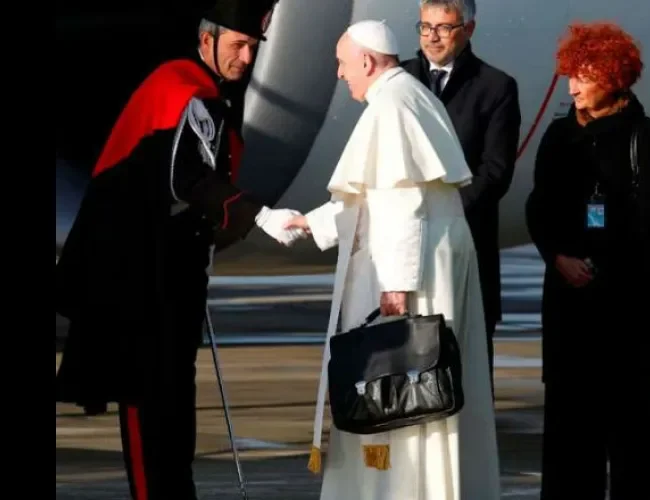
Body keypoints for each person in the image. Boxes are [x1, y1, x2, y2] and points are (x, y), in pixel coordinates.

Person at [54, 1, 303, 498]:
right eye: (238, 45)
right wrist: (255, 213)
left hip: (172, 280)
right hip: (140, 285)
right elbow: (187, 177)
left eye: (254, 48)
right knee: (150, 404)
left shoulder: (205, 94)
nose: (248, 59)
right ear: (206, 39)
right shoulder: (179, 90)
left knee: (173, 407)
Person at [284, 19, 501, 500]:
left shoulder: (393, 104)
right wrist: (309, 223)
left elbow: (402, 202)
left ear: (366, 61)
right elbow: (372, 198)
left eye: (343, 65)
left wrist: (397, 286)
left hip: (413, 271)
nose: (340, 76)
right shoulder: (406, 96)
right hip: (425, 258)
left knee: (407, 389)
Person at [525, 21, 650, 500]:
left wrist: (606, 264)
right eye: (571, 74)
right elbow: (538, 207)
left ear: (613, 77)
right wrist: (557, 257)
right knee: (568, 438)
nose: (573, 85)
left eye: (584, 75)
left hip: (624, 309)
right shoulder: (557, 136)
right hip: (569, 307)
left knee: (631, 435)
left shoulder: (642, 136)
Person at [401, 0, 521, 394]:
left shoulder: (496, 87)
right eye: (425, 27)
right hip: (408, 244)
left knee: (466, 365)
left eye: (443, 28)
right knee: (407, 362)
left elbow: (495, 172)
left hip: (465, 241)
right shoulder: (400, 79)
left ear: (468, 30)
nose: (432, 37)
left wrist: (444, 211)